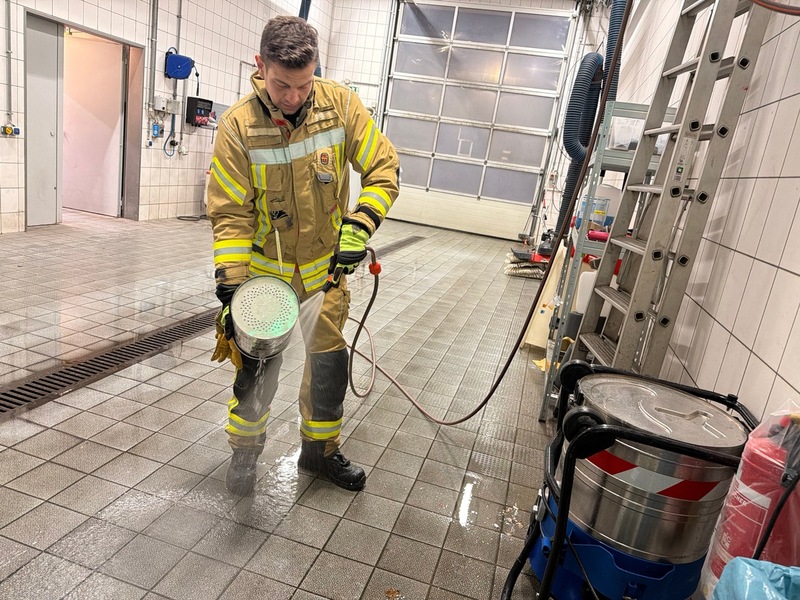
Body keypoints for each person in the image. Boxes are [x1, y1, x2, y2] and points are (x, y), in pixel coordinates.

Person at [206, 15, 399, 496]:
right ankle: (244, 454)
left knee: (328, 370)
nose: (293, 96)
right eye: (281, 85)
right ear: (260, 66)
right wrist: (231, 285)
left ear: (316, 69)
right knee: (257, 372)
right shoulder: (237, 126)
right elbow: (230, 213)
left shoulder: (342, 107)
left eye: (303, 84)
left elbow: (383, 169)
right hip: (266, 279)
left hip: (325, 276)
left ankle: (320, 453)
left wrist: (360, 224)